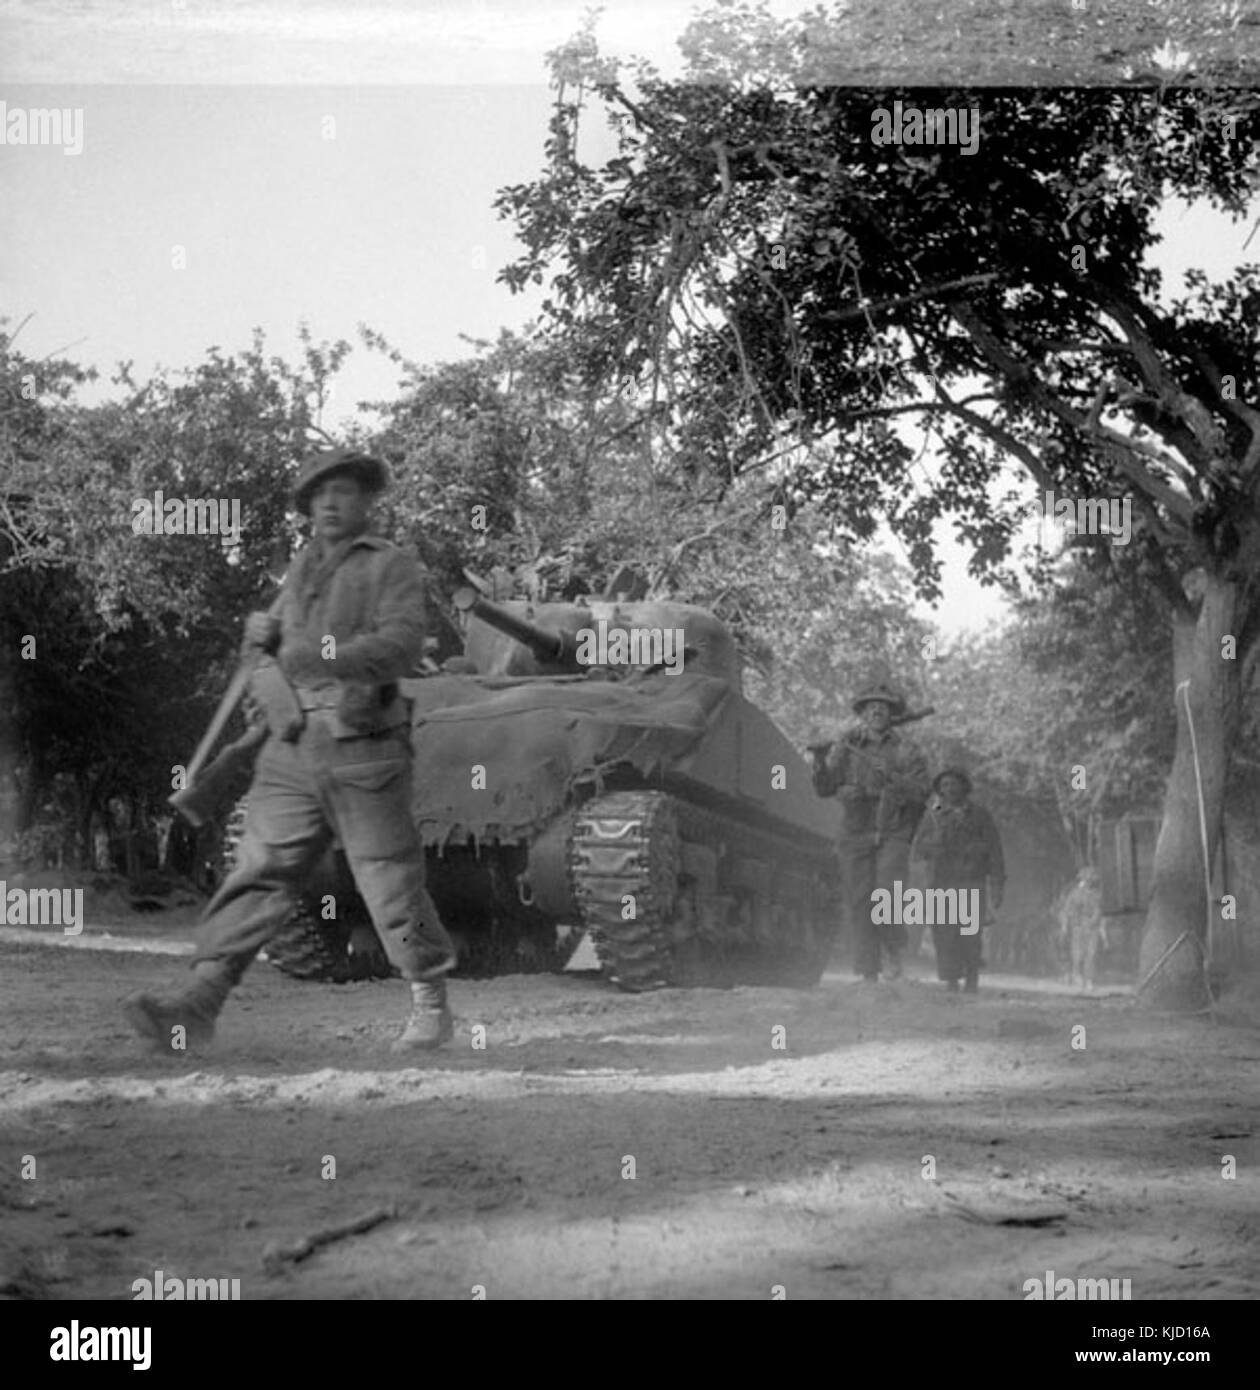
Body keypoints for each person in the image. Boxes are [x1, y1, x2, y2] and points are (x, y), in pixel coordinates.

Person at [124, 446, 458, 1053]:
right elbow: (279, 658)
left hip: (364, 745)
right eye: (319, 495)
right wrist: (262, 640)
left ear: (367, 502)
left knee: (388, 880)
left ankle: (430, 1005)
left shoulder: (391, 566)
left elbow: (403, 647)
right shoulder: (298, 570)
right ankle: (197, 1005)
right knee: (258, 873)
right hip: (290, 746)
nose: (330, 503)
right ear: (307, 508)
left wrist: (319, 654)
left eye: (345, 492)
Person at [814, 682, 929, 982]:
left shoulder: (907, 750)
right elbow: (824, 788)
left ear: (892, 713)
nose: (877, 710)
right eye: (870, 706)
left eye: (884, 706)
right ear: (863, 713)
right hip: (855, 827)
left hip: (893, 828)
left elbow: (921, 791)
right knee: (860, 898)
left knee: (887, 893)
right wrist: (821, 763)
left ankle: (894, 955)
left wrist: (890, 777)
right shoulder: (846, 748)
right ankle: (868, 973)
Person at [910, 768, 1005, 993]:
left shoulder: (980, 815)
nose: (949, 789)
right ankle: (952, 980)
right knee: (944, 933)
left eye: (953, 784)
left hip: (971, 879)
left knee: (970, 934)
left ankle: (972, 979)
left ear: (964, 786)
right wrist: (936, 845)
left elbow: (995, 850)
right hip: (941, 881)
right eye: (944, 786)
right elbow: (918, 849)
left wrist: (997, 885)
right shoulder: (932, 816)